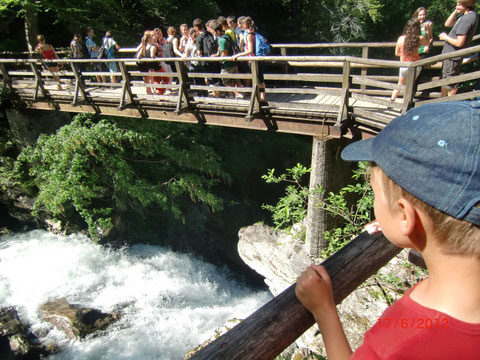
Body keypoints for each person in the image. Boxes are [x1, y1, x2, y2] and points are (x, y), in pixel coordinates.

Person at [296, 100, 480, 359]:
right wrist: (407, 228)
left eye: (374, 193)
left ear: (406, 215)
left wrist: (323, 309)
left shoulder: (406, 346)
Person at [439, 0, 478, 97]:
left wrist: (446, 37)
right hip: (450, 56)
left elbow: (460, 43)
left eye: (459, 3)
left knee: (450, 83)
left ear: (467, 4)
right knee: (445, 81)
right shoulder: (466, 15)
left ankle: (447, 105)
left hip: (453, 56)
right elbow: (447, 24)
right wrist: (456, 10)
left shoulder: (467, 19)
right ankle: (440, 104)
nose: (457, 5)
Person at [391, 18, 428, 101]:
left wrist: (405, 53)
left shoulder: (400, 39)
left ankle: (392, 100)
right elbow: (427, 44)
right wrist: (426, 31)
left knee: (400, 83)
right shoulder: (420, 38)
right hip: (415, 66)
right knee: (410, 85)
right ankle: (405, 102)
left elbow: (397, 53)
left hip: (404, 65)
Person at [232, 17, 266, 101]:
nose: (239, 25)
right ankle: (260, 97)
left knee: (259, 80)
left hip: (254, 60)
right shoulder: (251, 33)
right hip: (254, 59)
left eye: (240, 24)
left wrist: (239, 54)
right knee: (258, 79)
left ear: (244, 25)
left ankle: (261, 98)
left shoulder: (249, 35)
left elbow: (250, 50)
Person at [210, 20, 243, 99]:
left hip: (227, 64)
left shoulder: (221, 40)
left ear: (217, 31)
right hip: (234, 62)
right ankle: (241, 93)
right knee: (236, 79)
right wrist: (217, 54)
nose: (212, 33)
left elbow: (224, 53)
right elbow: (221, 48)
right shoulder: (226, 36)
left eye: (213, 31)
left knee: (226, 80)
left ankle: (238, 94)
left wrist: (219, 59)